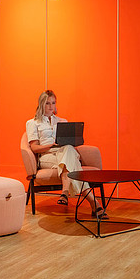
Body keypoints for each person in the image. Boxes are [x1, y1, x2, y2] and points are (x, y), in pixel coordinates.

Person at [25, 89, 105, 219]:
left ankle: (65, 192)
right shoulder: (32, 123)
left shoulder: (62, 121)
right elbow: (34, 148)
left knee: (68, 148)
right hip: (47, 155)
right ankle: (94, 203)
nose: (51, 106)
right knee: (71, 161)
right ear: (41, 104)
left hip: (64, 152)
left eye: (53, 103)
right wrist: (51, 145)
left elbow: (70, 144)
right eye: (47, 103)